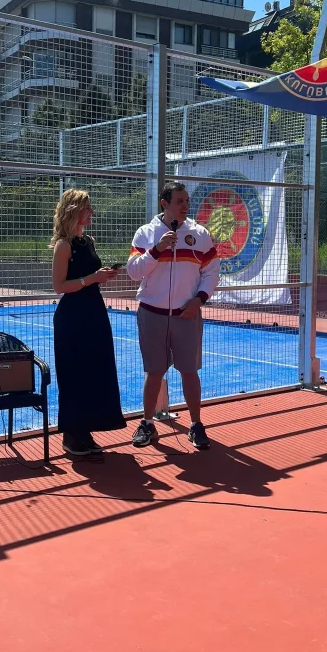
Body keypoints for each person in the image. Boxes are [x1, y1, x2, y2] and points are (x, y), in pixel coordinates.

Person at [126, 181, 220, 450]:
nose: (185, 205)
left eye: (187, 201)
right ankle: (147, 423)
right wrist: (156, 250)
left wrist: (199, 300)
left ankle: (196, 425)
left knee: (189, 372)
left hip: (186, 315)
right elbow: (134, 272)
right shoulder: (146, 234)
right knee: (154, 371)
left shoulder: (200, 234)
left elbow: (212, 271)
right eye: (179, 201)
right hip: (151, 313)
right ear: (164, 204)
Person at [51, 189, 126, 457]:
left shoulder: (89, 241)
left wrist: (102, 276)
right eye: (87, 208)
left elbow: (90, 276)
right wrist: (91, 279)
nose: (91, 212)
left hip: (94, 311)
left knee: (96, 370)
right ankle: (72, 435)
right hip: (72, 317)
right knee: (75, 373)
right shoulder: (63, 245)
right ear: (74, 211)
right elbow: (59, 286)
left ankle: (86, 431)